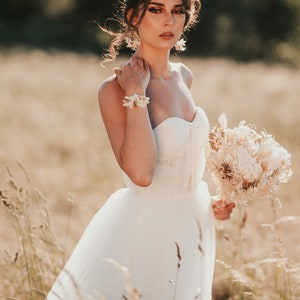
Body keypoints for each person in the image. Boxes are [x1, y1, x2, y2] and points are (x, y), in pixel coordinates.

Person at [47, 0, 235, 299]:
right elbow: (142, 174)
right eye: (156, 10)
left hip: (192, 228)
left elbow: (179, 162)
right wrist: (136, 93)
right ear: (134, 16)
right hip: (146, 232)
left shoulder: (184, 75)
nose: (169, 21)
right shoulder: (113, 89)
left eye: (177, 10)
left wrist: (207, 202)